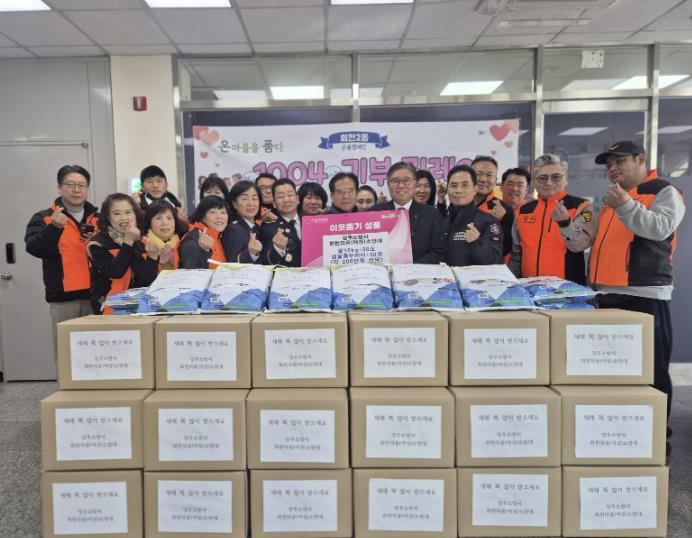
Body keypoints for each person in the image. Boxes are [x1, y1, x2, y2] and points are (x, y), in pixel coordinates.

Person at [590, 140, 686, 446]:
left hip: (644, 294)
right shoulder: (612, 199)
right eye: (609, 165)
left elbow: (660, 228)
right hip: (607, 293)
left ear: (641, 159)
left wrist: (626, 206)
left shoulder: (663, 191)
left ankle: (655, 437)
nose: (613, 168)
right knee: (612, 370)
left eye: (619, 161)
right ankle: (618, 434)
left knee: (651, 370)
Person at [25, 165, 99, 336]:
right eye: (70, 184)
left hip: (96, 296)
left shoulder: (99, 218)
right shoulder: (44, 217)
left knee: (97, 348)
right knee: (66, 349)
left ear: (87, 189)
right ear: (59, 188)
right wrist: (54, 228)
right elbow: (34, 248)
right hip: (63, 299)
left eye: (81, 185)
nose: (76, 190)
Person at [509, 154, 594, 284]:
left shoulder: (581, 206)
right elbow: (516, 254)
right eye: (542, 178)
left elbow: (580, 245)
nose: (549, 183)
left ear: (566, 179)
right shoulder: (524, 210)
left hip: (568, 289)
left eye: (556, 177)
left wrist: (566, 224)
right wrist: (512, 284)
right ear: (535, 182)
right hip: (529, 288)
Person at [87, 194, 157, 314]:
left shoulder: (140, 241)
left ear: (135, 215)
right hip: (109, 309)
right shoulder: (97, 244)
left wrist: (152, 258)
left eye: (128, 212)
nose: (124, 218)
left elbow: (145, 282)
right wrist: (128, 242)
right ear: (108, 217)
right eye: (117, 213)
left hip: (138, 308)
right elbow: (115, 272)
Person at [421, 165, 502, 266]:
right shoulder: (444, 221)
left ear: (475, 190)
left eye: (464, 185)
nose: (458, 190)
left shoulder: (488, 221)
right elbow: (435, 255)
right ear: (448, 189)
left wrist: (477, 243)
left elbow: (495, 262)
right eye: (453, 185)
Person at [371, 162, 446, 263]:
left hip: (419, 271)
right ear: (388, 185)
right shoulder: (374, 213)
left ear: (414, 183)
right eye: (395, 181)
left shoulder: (432, 214)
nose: (401, 185)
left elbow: (438, 252)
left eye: (406, 180)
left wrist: (410, 268)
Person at [472, 155, 514, 258]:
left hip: (488, 265)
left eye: (489, 175)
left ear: (495, 181)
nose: (483, 179)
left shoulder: (504, 209)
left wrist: (498, 223)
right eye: (478, 174)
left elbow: (506, 248)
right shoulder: (459, 203)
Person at [259, 178, 302, 266]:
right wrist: (278, 248)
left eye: (290, 195)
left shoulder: (313, 222)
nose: (286, 199)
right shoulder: (268, 228)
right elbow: (265, 261)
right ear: (274, 203)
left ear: (297, 199)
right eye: (280, 197)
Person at [179, 195, 228, 268]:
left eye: (223, 212)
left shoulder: (218, 236)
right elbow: (191, 272)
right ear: (203, 217)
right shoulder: (192, 241)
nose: (219, 216)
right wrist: (203, 251)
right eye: (212, 212)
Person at [222, 181, 264, 264]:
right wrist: (251, 253)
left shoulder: (257, 227)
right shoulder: (234, 229)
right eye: (244, 199)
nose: (251, 203)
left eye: (254, 198)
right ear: (234, 204)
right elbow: (233, 263)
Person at [141, 201, 183, 272]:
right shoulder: (141, 246)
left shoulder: (184, 242)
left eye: (169, 218)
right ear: (149, 222)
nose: (165, 223)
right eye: (158, 218)